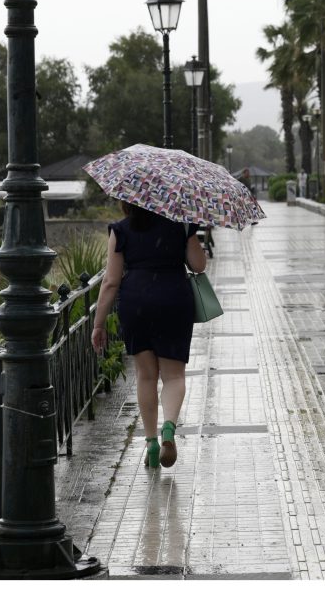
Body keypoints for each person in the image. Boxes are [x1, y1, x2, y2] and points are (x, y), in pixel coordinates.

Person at [91, 200, 207, 469]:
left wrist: (98, 323)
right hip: (174, 300)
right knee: (174, 376)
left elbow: (110, 281)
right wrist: (189, 231)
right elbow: (199, 265)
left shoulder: (121, 230)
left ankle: (152, 443)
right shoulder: (182, 226)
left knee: (145, 376)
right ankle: (169, 429)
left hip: (136, 303)